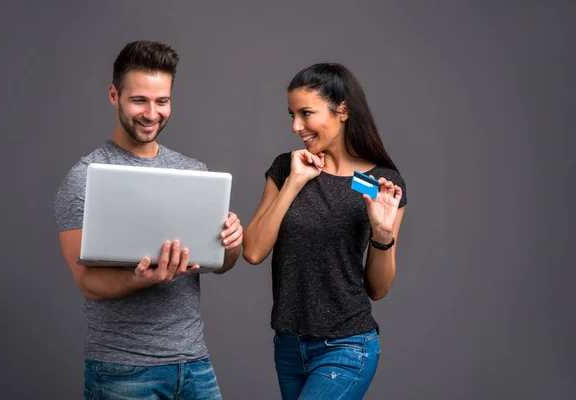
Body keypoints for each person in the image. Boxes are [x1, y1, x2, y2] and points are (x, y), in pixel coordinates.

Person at [53, 40, 242, 400]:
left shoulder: (194, 172)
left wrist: (231, 241)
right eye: (139, 100)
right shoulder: (83, 178)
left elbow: (219, 263)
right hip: (123, 369)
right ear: (114, 95)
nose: (151, 113)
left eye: (162, 101)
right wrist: (145, 278)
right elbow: (88, 283)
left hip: (194, 364)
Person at [242, 62, 408, 399]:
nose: (296, 126)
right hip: (289, 345)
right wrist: (294, 182)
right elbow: (253, 251)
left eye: (305, 113)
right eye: (291, 115)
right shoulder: (286, 168)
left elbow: (378, 288)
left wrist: (383, 235)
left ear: (342, 110)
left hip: (347, 346)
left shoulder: (378, 184)